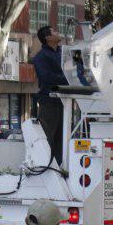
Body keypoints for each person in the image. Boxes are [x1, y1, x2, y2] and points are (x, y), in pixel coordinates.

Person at [30, 26, 68, 165]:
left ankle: (59, 166)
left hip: (65, 102)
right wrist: (66, 78)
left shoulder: (63, 53)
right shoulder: (41, 57)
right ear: (47, 38)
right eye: (54, 31)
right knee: (48, 137)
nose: (58, 32)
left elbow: (75, 67)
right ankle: (45, 165)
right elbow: (46, 77)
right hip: (49, 101)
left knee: (62, 138)